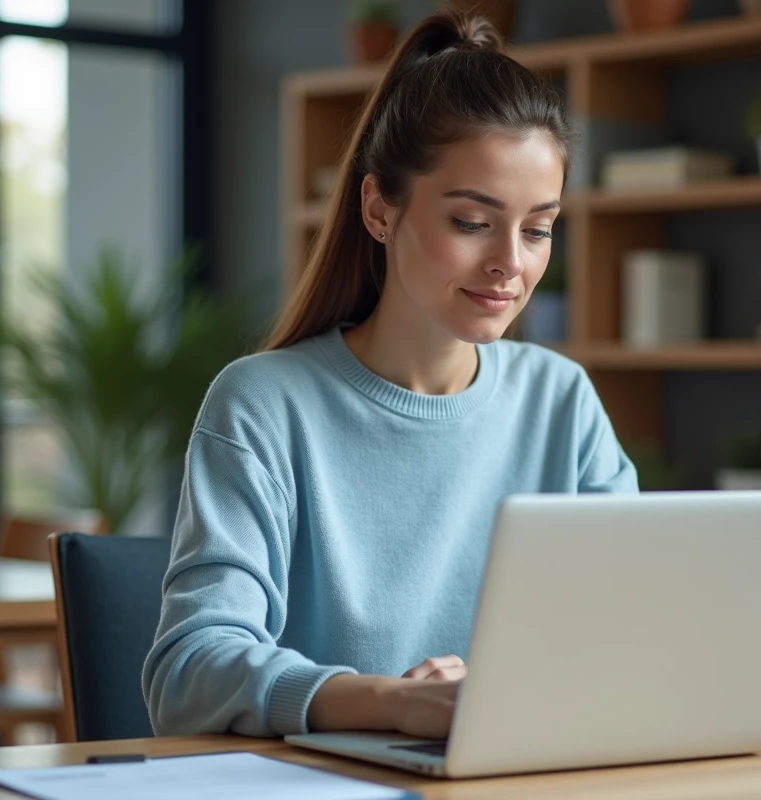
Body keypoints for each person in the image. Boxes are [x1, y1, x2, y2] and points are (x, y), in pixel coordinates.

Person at [142, 11, 639, 742]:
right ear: (379, 209)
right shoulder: (263, 406)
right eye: (473, 221)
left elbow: (632, 628)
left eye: (538, 229)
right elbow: (188, 673)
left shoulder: (559, 399)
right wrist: (394, 703)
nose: (512, 261)